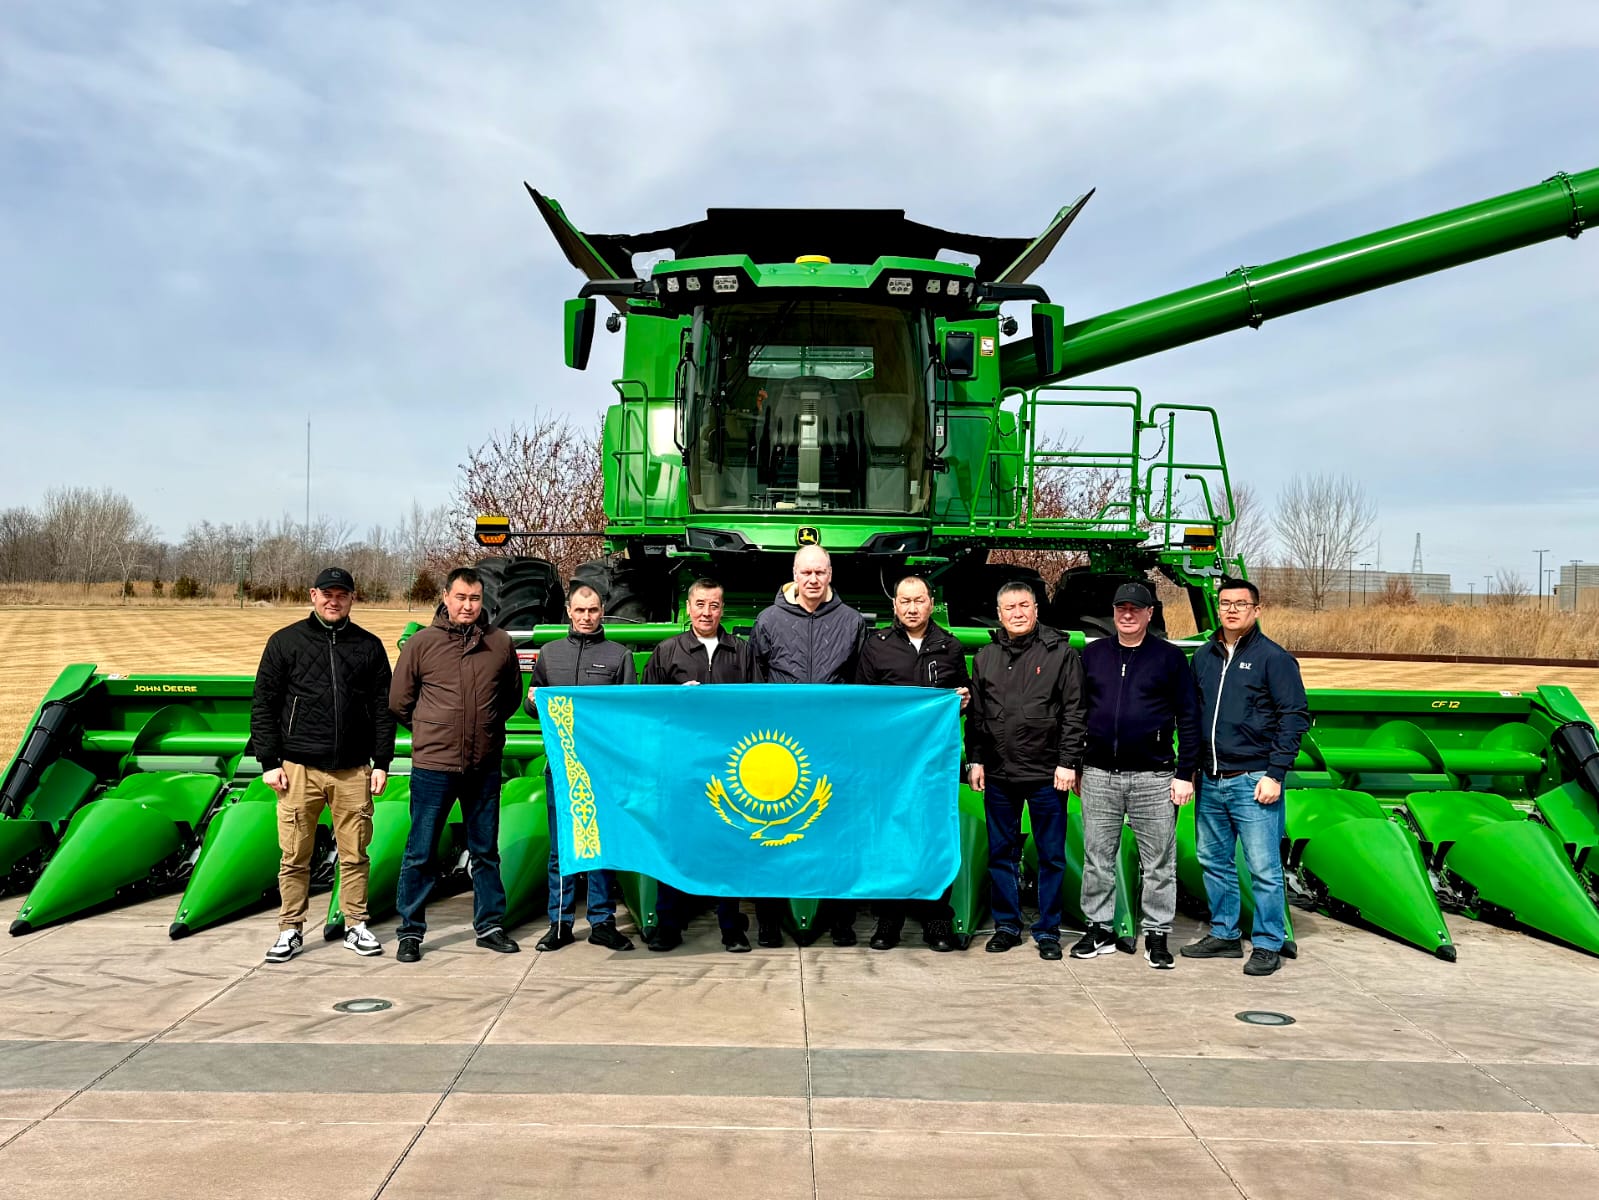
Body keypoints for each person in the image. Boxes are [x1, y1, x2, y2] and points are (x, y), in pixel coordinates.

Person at [251, 566, 395, 964]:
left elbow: (383, 709)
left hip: (352, 769)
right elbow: (263, 705)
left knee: (355, 853)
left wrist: (382, 761)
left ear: (352, 598)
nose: (334, 601)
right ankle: (290, 929)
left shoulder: (368, 646)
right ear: (313, 595)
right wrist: (269, 761)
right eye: (327, 594)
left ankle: (356, 925)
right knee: (294, 855)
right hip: (299, 768)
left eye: (342, 595)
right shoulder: (285, 642)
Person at [389, 567, 524, 962]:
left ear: (483, 601)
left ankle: (490, 926)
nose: (468, 606)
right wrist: (433, 730)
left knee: (485, 851)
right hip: (435, 766)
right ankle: (410, 931)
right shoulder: (422, 644)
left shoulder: (499, 643)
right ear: (446, 597)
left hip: (483, 764)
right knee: (420, 851)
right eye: (461, 597)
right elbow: (399, 702)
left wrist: (485, 728)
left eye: (475, 598)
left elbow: (510, 697)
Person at [1181, 577, 1309, 977]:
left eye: (1240, 603)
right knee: (1214, 861)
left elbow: (1294, 718)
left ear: (1256, 609)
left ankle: (1269, 942)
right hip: (1211, 779)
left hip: (1253, 779)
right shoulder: (1204, 657)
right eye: (1225, 603)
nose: (1232, 610)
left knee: (1263, 868)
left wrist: (1275, 773)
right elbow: (1192, 716)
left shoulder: (1275, 659)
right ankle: (1224, 933)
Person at [1072, 580, 1200, 970]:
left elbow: (1188, 718)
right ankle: (1099, 928)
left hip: (1154, 777)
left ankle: (1157, 934)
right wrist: (1076, 765)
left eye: (1136, 609)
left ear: (1149, 614)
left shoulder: (1170, 658)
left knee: (1159, 862)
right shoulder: (1093, 655)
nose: (1127, 615)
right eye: (1121, 608)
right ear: (1113, 613)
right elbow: (1076, 712)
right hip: (1099, 774)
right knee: (1097, 858)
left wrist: (1184, 773)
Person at [640, 577, 767, 953]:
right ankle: (669, 925)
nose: (706, 613)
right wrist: (677, 700)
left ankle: (731, 927)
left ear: (722, 609)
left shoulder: (741, 652)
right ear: (688, 607)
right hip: (680, 767)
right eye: (700, 604)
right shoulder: (667, 652)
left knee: (728, 843)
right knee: (674, 843)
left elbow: (757, 706)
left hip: (728, 765)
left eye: (713, 605)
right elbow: (647, 709)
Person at [750, 544, 868, 945]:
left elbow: (861, 683)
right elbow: (755, 679)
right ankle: (769, 919)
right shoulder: (768, 621)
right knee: (773, 830)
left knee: (837, 832)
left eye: (820, 572)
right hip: (779, 745)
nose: (813, 579)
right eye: (806, 572)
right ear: (794, 575)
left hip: (834, 745)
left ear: (830, 574)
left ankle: (840, 920)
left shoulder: (852, 622)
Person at [965, 580, 1086, 961]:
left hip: (1047, 774)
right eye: (1009, 608)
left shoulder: (1061, 654)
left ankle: (1048, 930)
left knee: (1051, 856)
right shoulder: (986, 657)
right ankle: (1006, 926)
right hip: (999, 773)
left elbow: (1075, 712)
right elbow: (978, 717)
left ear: (1036, 609)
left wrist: (1068, 762)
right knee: (1001, 853)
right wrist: (976, 760)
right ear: (999, 614)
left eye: (1023, 606)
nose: (1017, 613)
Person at [854, 574, 970, 952]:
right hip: (889, 765)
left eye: (919, 600)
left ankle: (936, 919)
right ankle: (889, 919)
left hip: (934, 764)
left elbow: (963, 698)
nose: (912, 608)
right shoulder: (876, 646)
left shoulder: (949, 647)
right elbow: (863, 705)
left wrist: (961, 702)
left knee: (935, 836)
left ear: (931, 603)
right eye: (905, 601)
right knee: (889, 837)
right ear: (895, 605)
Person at [526, 583, 637, 953]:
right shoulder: (550, 654)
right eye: (580, 610)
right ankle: (559, 923)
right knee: (562, 849)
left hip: (601, 770)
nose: (586, 617)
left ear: (601, 611)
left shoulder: (619, 655)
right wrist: (532, 701)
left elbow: (626, 715)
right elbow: (533, 705)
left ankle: (602, 922)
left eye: (592, 610)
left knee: (600, 845)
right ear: (569, 612)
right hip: (561, 768)